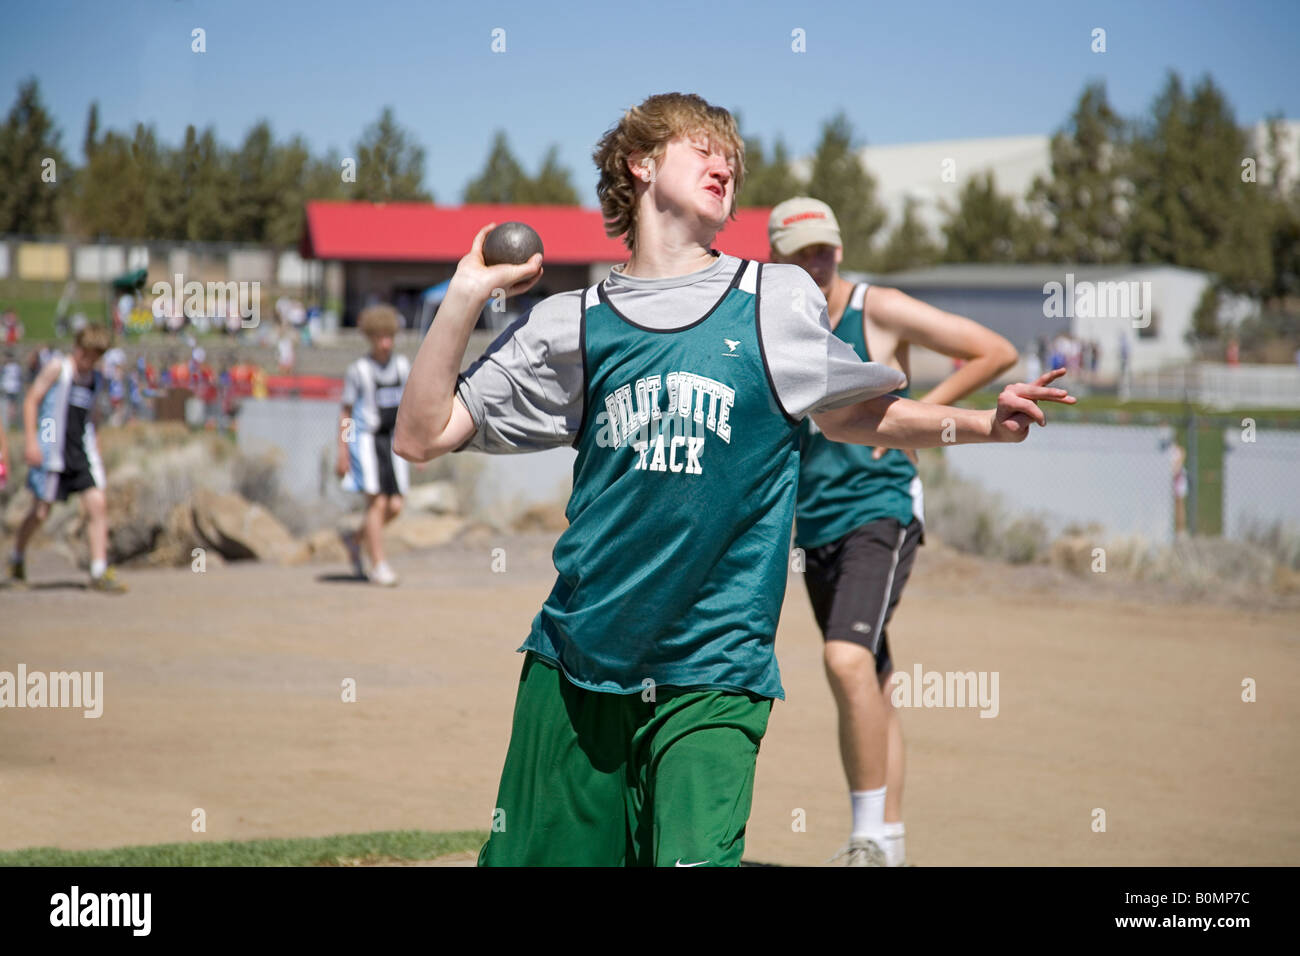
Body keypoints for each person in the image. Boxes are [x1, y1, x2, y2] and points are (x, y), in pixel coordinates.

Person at [393, 92, 1073, 867]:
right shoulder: (571, 322)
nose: (725, 166)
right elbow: (420, 436)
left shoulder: (773, 299)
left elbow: (856, 415)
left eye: (734, 160)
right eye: (701, 149)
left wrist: (987, 422)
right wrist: (466, 295)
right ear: (640, 165)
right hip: (578, 662)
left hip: (713, 666)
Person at [767, 197, 1019, 866]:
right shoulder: (777, 320)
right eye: (798, 253)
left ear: (839, 248)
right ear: (777, 259)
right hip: (812, 521)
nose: (813, 262)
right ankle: (892, 845)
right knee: (869, 673)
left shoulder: (875, 308)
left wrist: (910, 417)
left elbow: (993, 351)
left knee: (844, 659)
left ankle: (868, 839)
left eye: (822, 248)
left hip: (878, 508)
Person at [9, 324, 126, 593]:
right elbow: (31, 400)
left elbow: (91, 416)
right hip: (51, 450)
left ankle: (99, 570)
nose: (91, 361)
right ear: (79, 349)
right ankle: (16, 556)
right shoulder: (58, 369)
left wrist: (95, 445)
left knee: (98, 504)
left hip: (79, 453)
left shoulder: (95, 379)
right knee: (40, 512)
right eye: (89, 355)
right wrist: (31, 441)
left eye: (97, 357)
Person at [337, 304, 410, 586]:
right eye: (379, 336)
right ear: (370, 337)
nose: (385, 342)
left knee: (395, 505)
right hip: (366, 440)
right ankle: (379, 564)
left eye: (389, 336)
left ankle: (355, 540)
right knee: (377, 503)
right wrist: (343, 450)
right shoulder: (359, 370)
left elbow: (411, 406)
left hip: (393, 441)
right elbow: (345, 413)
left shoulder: (402, 366)